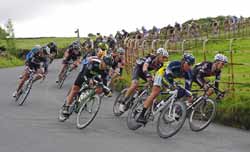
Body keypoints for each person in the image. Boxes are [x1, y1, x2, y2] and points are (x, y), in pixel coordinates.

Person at [136, 53, 195, 124]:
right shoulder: (175, 64)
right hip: (161, 73)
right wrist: (172, 84)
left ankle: (162, 104)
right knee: (155, 92)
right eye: (188, 64)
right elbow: (167, 75)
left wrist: (189, 95)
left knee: (180, 92)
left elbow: (187, 88)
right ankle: (141, 115)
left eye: (191, 65)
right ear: (183, 61)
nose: (189, 66)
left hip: (169, 78)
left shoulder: (189, 73)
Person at [119, 48, 169, 112]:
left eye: (166, 58)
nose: (164, 59)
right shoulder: (151, 57)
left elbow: (158, 75)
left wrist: (164, 84)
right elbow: (145, 66)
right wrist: (147, 75)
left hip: (145, 72)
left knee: (152, 84)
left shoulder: (160, 65)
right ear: (158, 55)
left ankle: (140, 96)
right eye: (163, 57)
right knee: (135, 84)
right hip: (139, 68)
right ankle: (122, 102)